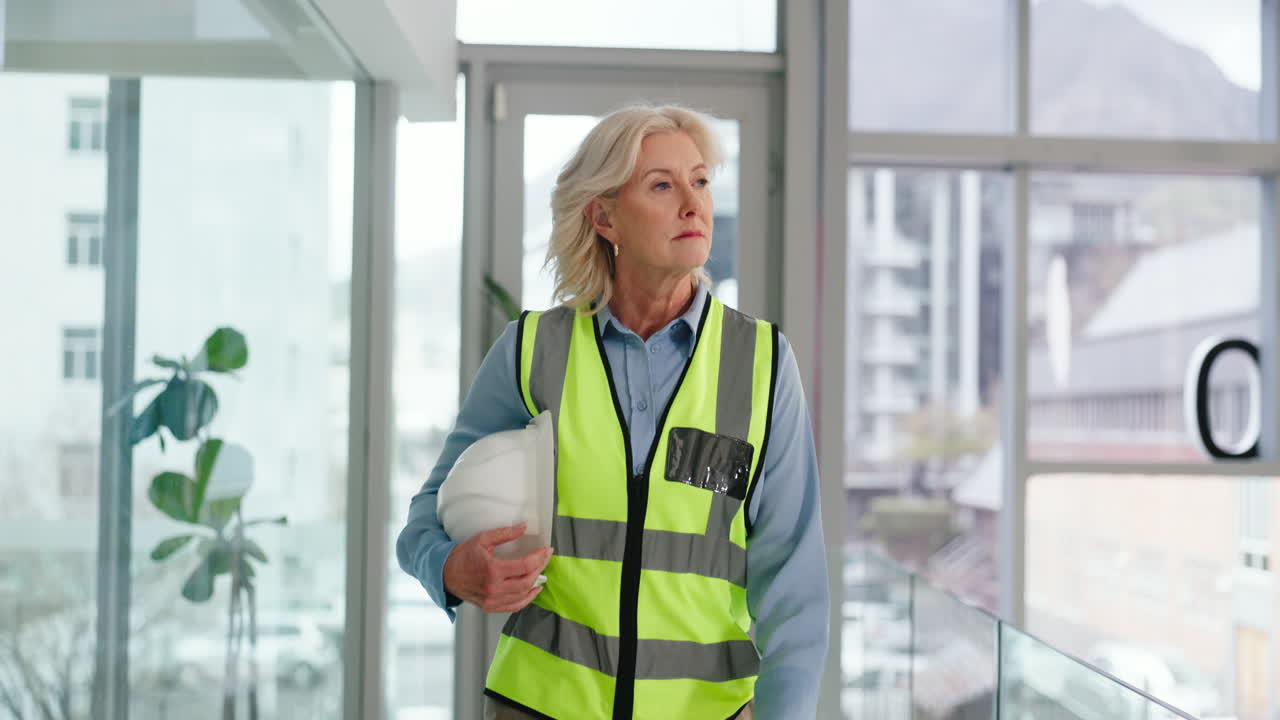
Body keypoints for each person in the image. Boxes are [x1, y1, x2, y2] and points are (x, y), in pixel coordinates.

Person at [397, 105, 828, 720]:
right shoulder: (531, 353)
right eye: (662, 184)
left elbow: (795, 585)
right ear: (604, 216)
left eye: (700, 181)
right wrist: (448, 568)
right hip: (540, 708)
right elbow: (424, 520)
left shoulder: (761, 363)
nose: (692, 203)